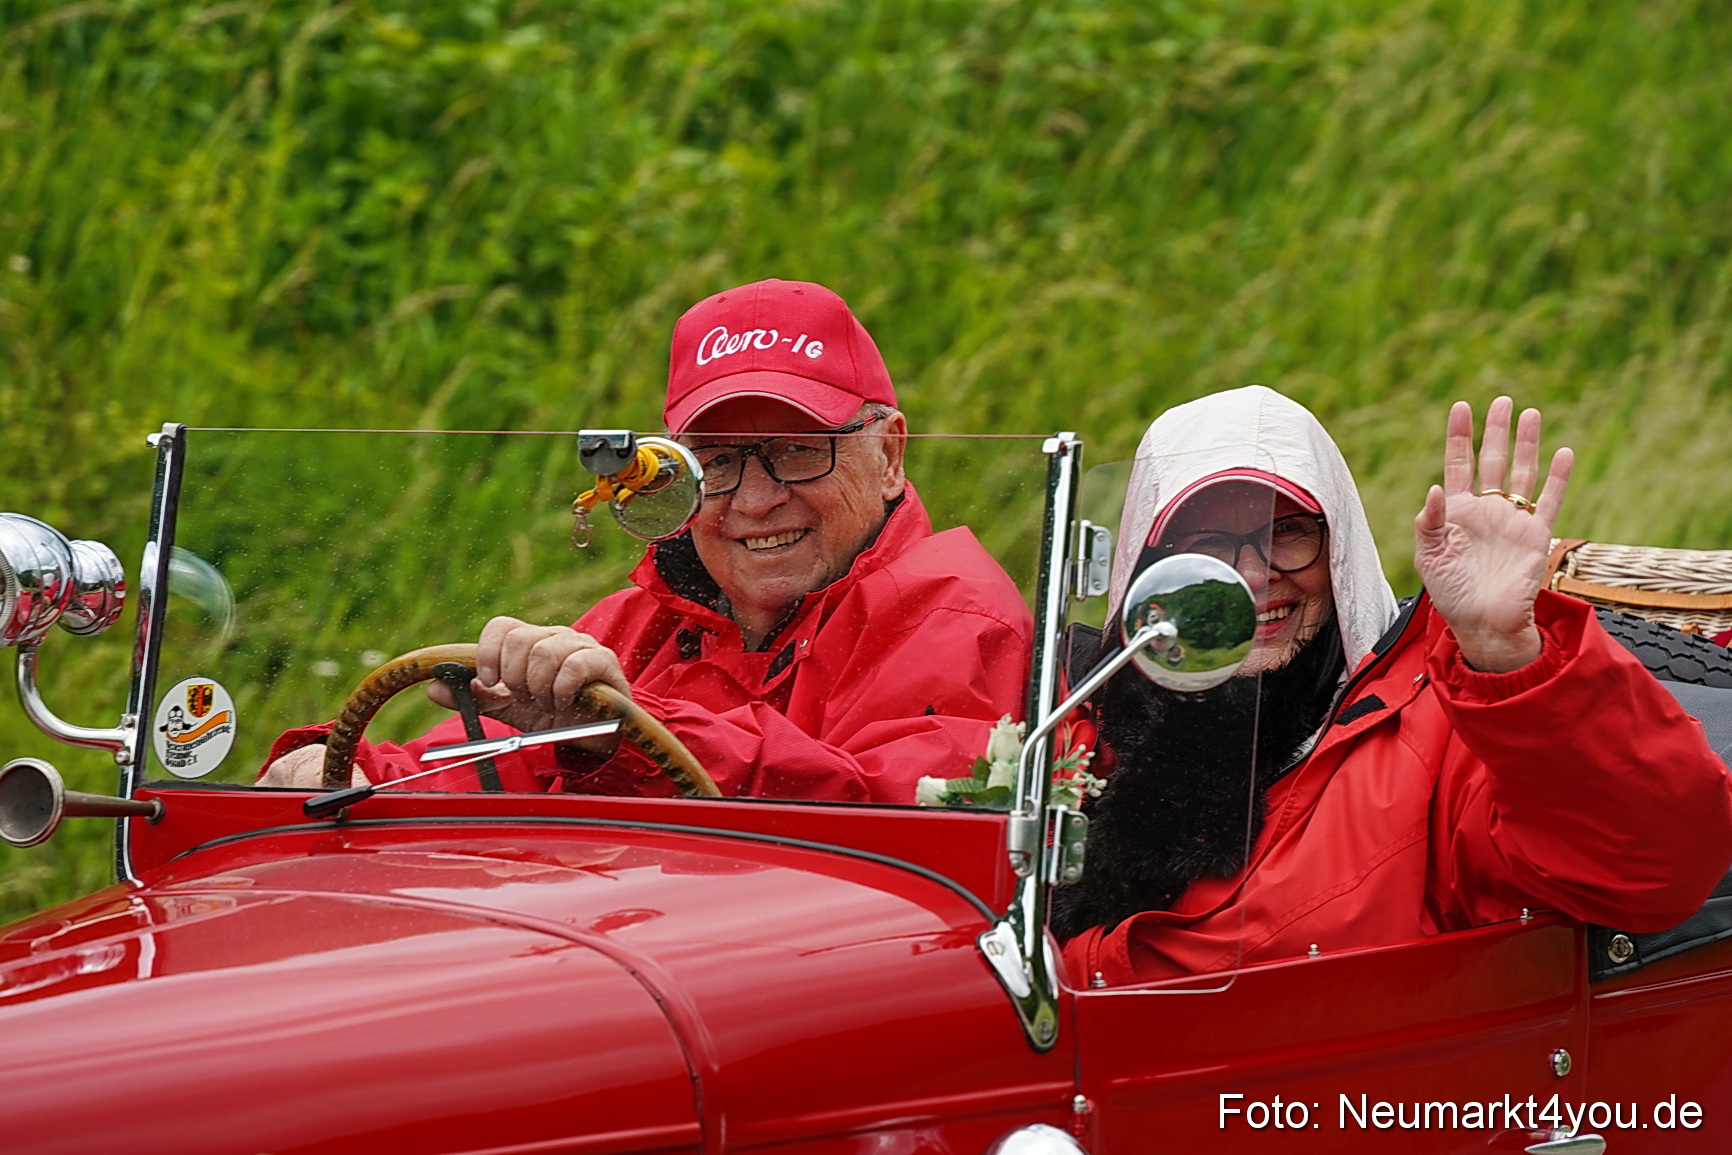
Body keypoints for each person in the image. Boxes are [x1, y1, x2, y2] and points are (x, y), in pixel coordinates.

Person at [1052, 385, 1732, 983]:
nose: (1252, 575)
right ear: (1148, 566)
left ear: (1341, 547)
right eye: (1205, 540)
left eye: (1287, 531)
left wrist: (1510, 653)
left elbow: (1656, 869)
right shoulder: (1079, 728)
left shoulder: (1437, 735)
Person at [259, 279, 1033, 803]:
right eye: (718, 463)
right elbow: (487, 761)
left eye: (800, 450)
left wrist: (628, 730)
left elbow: (880, 815)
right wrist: (345, 768)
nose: (757, 500)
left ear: (890, 454)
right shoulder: (646, 618)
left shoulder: (957, 614)